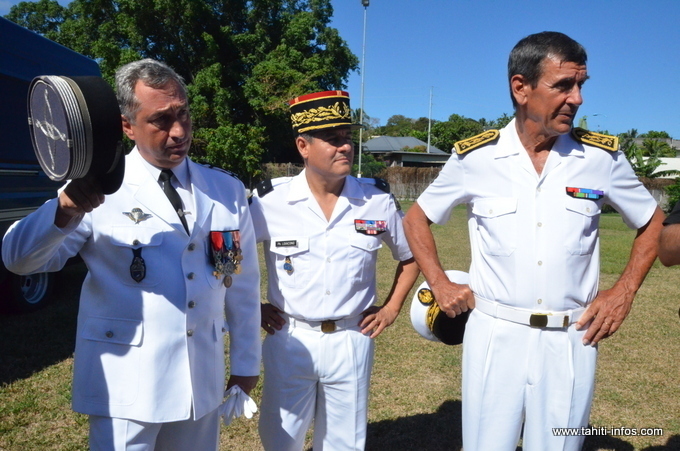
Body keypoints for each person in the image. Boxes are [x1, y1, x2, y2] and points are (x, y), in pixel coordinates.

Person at [402, 31, 665, 451]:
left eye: (581, 85)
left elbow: (653, 222)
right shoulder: (476, 158)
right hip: (494, 334)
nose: (577, 98)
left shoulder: (601, 158)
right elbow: (416, 219)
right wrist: (440, 282)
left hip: (571, 338)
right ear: (520, 88)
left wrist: (625, 291)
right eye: (563, 85)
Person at [2, 59, 261, 450]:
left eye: (183, 114)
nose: (178, 131)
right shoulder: (97, 188)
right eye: (161, 120)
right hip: (128, 384)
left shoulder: (224, 190)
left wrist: (244, 365)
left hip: (199, 382)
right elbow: (18, 259)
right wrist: (66, 209)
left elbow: (239, 282)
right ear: (127, 125)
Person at [249, 90, 419, 450]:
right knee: (281, 437)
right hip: (291, 337)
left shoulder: (376, 199)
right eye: (332, 139)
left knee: (346, 441)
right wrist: (253, 307)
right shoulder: (270, 202)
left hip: (351, 338)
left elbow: (410, 256)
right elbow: (232, 260)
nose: (344, 147)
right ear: (303, 146)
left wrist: (390, 309)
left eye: (346, 138)